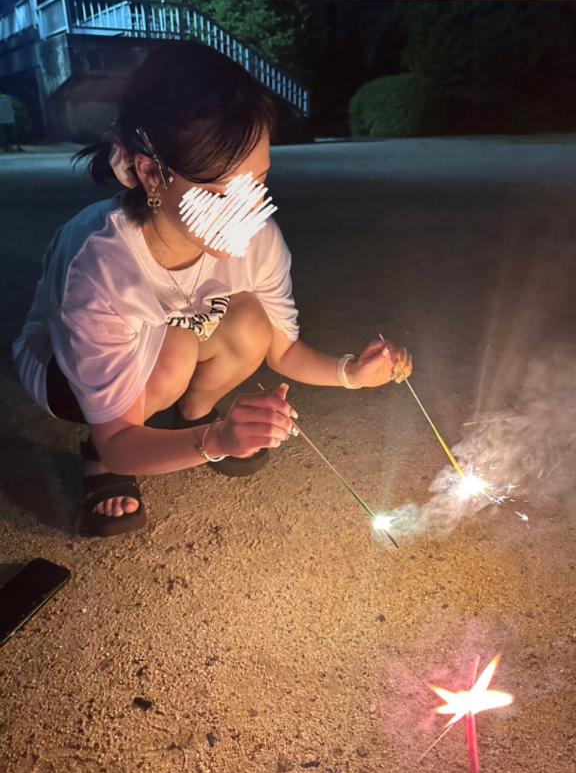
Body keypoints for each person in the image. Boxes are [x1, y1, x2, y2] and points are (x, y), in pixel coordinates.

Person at [12, 41, 412, 537]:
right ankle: (98, 456)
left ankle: (193, 414)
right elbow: (121, 441)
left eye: (259, 183)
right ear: (150, 172)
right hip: (61, 372)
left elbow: (282, 349)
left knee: (250, 321)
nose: (250, 215)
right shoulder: (98, 265)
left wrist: (351, 373)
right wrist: (217, 441)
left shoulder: (258, 238)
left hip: (171, 341)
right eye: (223, 194)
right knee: (176, 349)